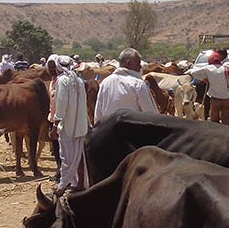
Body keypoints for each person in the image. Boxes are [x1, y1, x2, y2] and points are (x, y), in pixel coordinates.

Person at [52, 55, 89, 191]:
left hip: (67, 125)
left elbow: (61, 103)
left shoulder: (62, 81)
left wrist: (56, 122)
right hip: (80, 125)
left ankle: (63, 185)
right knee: (79, 155)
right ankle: (79, 184)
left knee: (66, 156)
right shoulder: (79, 81)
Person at [95, 48, 160, 121]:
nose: (140, 67)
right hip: (131, 131)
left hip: (108, 130)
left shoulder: (105, 82)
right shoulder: (138, 84)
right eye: (138, 63)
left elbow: (98, 114)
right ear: (128, 63)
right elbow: (151, 115)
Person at [191, 51, 229, 124]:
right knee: (225, 119)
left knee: (214, 120)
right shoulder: (226, 68)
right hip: (226, 98)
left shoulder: (208, 68)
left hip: (215, 99)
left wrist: (203, 79)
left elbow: (193, 72)